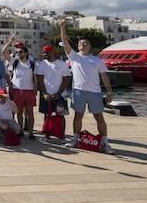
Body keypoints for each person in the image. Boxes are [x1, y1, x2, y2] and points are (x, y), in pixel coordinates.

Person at [59, 20, 114, 153]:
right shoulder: (74, 57)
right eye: (80, 43)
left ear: (90, 47)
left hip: (95, 92)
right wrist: (62, 27)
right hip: (78, 91)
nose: (82, 44)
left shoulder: (97, 60)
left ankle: (105, 142)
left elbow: (104, 77)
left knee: (99, 117)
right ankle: (75, 139)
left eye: (85, 43)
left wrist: (109, 92)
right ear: (78, 47)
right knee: (78, 116)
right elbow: (65, 42)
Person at [4, 40, 37, 139]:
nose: (18, 54)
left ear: (26, 53)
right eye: (17, 52)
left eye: (21, 52)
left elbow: (35, 79)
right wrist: (9, 42)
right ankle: (21, 130)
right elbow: (3, 52)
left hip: (29, 91)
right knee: (19, 112)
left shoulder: (32, 64)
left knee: (30, 113)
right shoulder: (15, 62)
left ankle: (31, 132)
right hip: (17, 91)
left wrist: (35, 91)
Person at [36, 44, 72, 120]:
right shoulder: (42, 64)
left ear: (52, 52)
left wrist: (58, 93)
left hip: (61, 95)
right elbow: (40, 80)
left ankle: (60, 132)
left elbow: (67, 79)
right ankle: (48, 131)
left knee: (61, 116)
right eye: (44, 53)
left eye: (46, 53)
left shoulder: (62, 64)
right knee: (47, 115)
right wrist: (45, 93)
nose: (44, 55)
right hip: (46, 95)